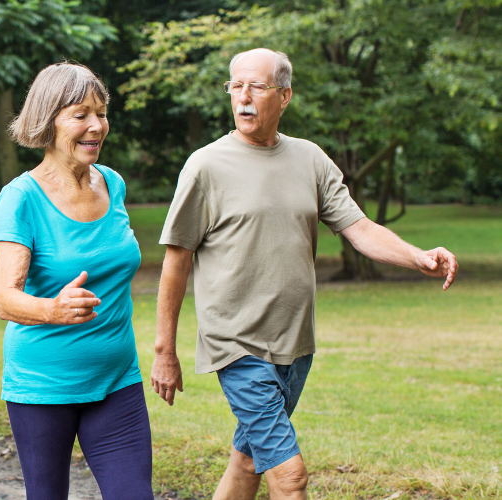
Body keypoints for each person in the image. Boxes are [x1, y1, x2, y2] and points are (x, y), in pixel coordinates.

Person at [151, 48, 459, 500]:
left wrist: (419, 257)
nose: (243, 97)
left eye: (257, 86)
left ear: (285, 95)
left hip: (295, 344)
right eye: (236, 86)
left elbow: (360, 228)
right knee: (290, 476)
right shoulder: (206, 166)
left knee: (249, 459)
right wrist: (165, 350)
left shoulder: (310, 159)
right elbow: (176, 260)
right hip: (237, 346)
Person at [0, 62, 153, 499]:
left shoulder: (112, 184)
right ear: (48, 121)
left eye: (101, 113)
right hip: (43, 386)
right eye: (81, 115)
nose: (96, 126)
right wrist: (52, 309)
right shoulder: (21, 198)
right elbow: (4, 299)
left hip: (117, 379)